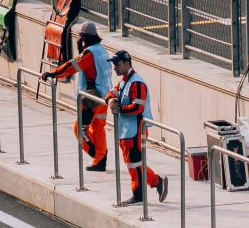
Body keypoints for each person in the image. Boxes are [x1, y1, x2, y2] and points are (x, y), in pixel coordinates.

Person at [42, 21, 112, 171]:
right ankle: (100, 160)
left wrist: (53, 74)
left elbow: (71, 66)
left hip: (91, 100)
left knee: (79, 129)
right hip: (105, 98)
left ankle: (98, 156)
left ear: (84, 37)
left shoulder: (89, 54)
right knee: (98, 128)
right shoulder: (102, 50)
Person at [106, 50, 168, 206]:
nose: (114, 68)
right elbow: (112, 92)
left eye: (117, 65)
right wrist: (110, 101)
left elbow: (137, 107)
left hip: (135, 130)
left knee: (134, 163)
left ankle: (139, 194)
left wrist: (119, 107)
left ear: (127, 64)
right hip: (127, 130)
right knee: (133, 162)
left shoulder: (136, 82)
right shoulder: (124, 81)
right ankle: (156, 182)